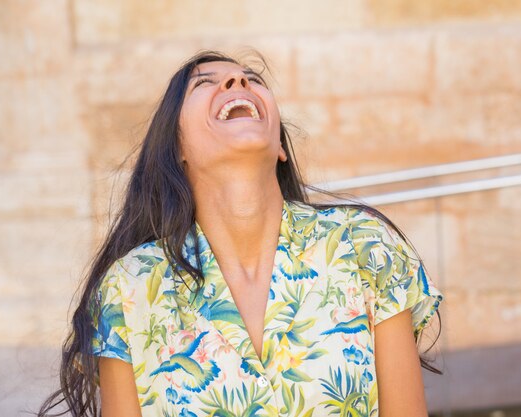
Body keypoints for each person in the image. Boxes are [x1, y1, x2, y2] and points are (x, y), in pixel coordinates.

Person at [38, 49, 444, 417]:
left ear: (280, 148)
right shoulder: (128, 289)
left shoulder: (364, 245)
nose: (237, 82)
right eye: (205, 83)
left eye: (252, 79)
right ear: (176, 147)